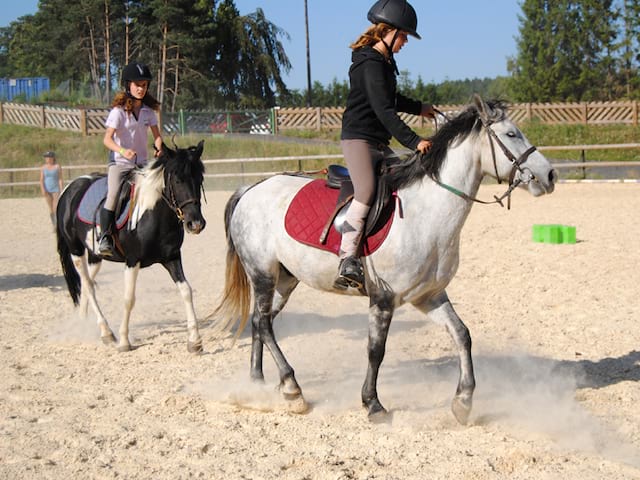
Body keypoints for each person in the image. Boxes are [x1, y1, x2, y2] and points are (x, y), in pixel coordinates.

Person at [335, 0, 435, 289]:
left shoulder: (384, 64)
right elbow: (384, 111)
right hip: (358, 139)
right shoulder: (369, 64)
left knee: (403, 181)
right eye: (403, 36)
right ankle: (348, 258)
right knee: (366, 191)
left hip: (377, 142)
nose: (405, 42)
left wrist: (420, 108)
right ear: (388, 32)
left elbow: (392, 98)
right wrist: (415, 141)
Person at [98, 61, 163, 256]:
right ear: (128, 85)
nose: (141, 89)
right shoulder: (118, 112)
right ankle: (106, 237)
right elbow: (106, 139)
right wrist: (122, 150)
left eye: (144, 85)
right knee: (113, 195)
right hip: (120, 164)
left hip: (142, 165)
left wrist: (159, 148)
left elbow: (157, 136)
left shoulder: (148, 112)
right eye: (137, 85)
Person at [40, 150, 63, 228]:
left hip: (55, 189)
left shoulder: (57, 166)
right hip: (47, 189)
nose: (48, 159)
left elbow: (60, 178)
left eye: (49, 158)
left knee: (55, 207)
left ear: (53, 158)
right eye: (46, 158)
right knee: (50, 208)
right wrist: (43, 189)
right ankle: (54, 224)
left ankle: (57, 224)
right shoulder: (43, 167)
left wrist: (61, 188)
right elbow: (41, 180)